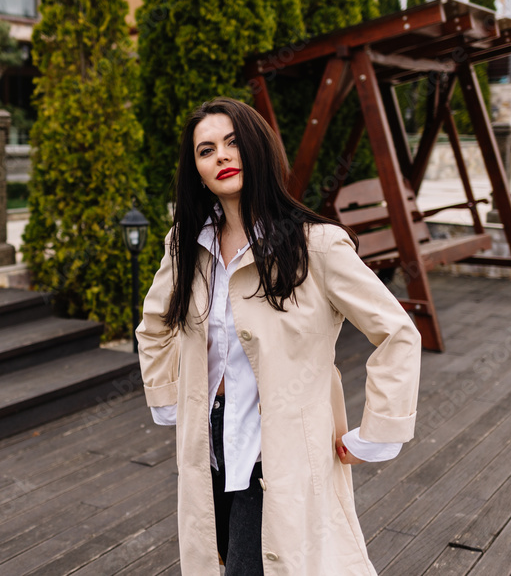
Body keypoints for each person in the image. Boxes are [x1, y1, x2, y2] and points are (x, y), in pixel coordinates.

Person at [136, 97, 421, 575]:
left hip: (277, 447)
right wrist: (167, 399)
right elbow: (154, 325)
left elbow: (397, 332)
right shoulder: (188, 244)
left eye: (232, 143)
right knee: (216, 554)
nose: (221, 156)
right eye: (206, 151)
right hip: (208, 439)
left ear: (257, 149)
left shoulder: (316, 245)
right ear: (198, 171)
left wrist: (376, 434)